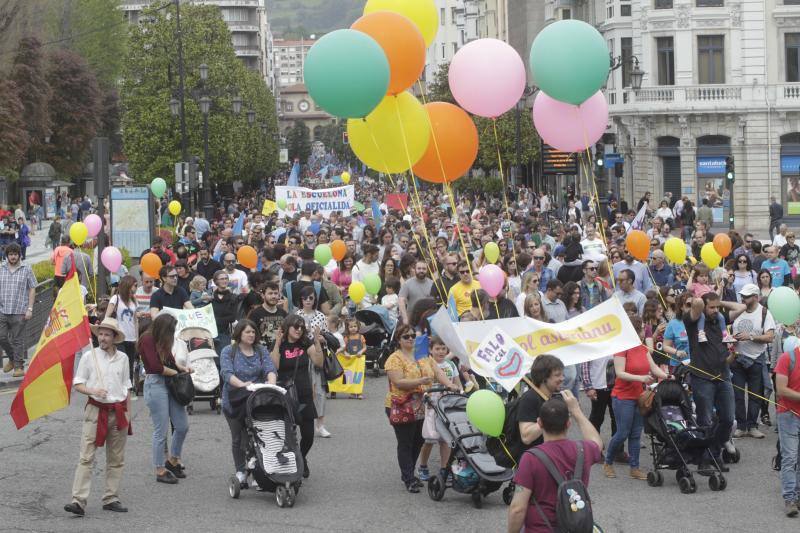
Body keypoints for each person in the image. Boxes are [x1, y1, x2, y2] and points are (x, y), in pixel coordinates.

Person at [507, 392, 603, 533]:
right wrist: (576, 411)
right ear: (568, 424)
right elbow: (597, 442)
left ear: (539, 423)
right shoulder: (583, 449)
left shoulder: (530, 458)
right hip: (576, 527)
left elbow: (518, 509)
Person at [63, 318, 132, 516]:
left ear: (114, 338)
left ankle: (111, 497)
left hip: (118, 410)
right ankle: (78, 501)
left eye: (107, 334)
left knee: (116, 458)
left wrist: (127, 415)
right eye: (100, 334)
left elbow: (126, 387)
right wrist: (93, 390)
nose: (102, 338)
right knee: (86, 456)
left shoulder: (123, 359)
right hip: (95, 410)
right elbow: (78, 384)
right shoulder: (88, 356)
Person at [384, 323, 456, 492]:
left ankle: (409, 472)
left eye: (412, 336)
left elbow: (438, 372)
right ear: (398, 340)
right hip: (401, 404)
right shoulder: (394, 358)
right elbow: (398, 382)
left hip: (421, 404)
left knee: (419, 440)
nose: (410, 339)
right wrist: (419, 382)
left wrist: (450, 385)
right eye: (406, 336)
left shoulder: (423, 354)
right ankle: (409, 478)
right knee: (406, 442)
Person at [603, 316, 669, 480]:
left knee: (635, 434)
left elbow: (653, 368)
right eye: (641, 329)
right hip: (622, 396)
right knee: (622, 432)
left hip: (639, 396)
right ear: (633, 330)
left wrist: (668, 377)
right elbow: (620, 373)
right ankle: (608, 462)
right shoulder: (622, 348)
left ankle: (635, 468)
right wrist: (641, 379)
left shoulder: (643, 348)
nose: (644, 332)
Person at [685, 292, 743, 470]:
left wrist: (718, 301)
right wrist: (702, 301)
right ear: (704, 306)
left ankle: (714, 451)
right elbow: (695, 304)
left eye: (717, 307)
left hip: (723, 376)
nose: (715, 310)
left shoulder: (720, 319)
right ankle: (705, 459)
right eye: (712, 307)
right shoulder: (693, 321)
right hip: (702, 379)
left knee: (728, 419)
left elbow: (741, 307)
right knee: (705, 421)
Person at [220, 319, 277, 489]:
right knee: (239, 438)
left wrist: (272, 385)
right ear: (239, 333)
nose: (251, 335)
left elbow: (270, 369)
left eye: (253, 332)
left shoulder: (260, 350)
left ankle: (259, 471)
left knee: (259, 436)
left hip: (257, 400)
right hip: (235, 399)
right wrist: (242, 384)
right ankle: (240, 470)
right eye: (247, 332)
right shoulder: (229, 351)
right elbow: (226, 373)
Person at [138, 314, 191, 484]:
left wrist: (182, 369)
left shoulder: (164, 339)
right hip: (155, 383)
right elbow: (155, 366)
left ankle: (173, 460)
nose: (172, 333)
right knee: (160, 431)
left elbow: (170, 360)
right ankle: (160, 469)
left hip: (169, 382)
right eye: (171, 329)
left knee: (182, 425)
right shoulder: (147, 339)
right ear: (162, 328)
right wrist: (177, 373)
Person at [270, 314, 324, 478]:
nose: (299, 330)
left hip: (304, 393)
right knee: (287, 433)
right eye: (296, 327)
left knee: (308, 435)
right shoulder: (281, 344)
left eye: (302, 327)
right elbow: (275, 366)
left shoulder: (305, 344)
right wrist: (277, 343)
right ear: (287, 328)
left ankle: (301, 457)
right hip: (285, 395)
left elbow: (319, 362)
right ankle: (293, 462)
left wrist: (316, 341)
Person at [730, 283, 775, 439]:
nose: (743, 298)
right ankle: (741, 426)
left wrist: (750, 337)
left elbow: (770, 337)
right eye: (742, 295)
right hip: (737, 357)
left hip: (756, 358)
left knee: (755, 394)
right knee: (738, 394)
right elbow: (725, 326)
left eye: (747, 296)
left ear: (756, 297)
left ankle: (752, 425)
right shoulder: (738, 311)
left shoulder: (764, 312)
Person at [509, 354, 565, 464]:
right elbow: (526, 437)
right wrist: (550, 416)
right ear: (544, 378)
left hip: (549, 459)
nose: (562, 378)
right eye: (558, 375)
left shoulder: (553, 397)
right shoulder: (529, 398)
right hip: (533, 462)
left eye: (563, 374)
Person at [0, 243, 36, 377]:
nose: (13, 257)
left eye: (15, 254)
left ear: (19, 255)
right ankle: (12, 358)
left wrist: (30, 308)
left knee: (17, 340)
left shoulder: (27, 269)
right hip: (2, 309)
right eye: (10, 254)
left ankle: (18, 366)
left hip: (19, 310)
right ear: (7, 256)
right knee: (1, 337)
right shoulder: (1, 268)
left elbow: (32, 288)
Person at [775, 342, 800, 516]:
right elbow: (781, 390)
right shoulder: (787, 358)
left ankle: (797, 497)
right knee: (790, 458)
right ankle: (790, 498)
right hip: (789, 414)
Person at [106, 275, 140, 394]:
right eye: (135, 285)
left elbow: (135, 321)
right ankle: (116, 388)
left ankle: (127, 390)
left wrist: (137, 337)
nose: (136, 288)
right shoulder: (116, 299)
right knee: (121, 362)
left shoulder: (134, 301)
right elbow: (107, 316)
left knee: (130, 364)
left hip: (131, 336)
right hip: (119, 336)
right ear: (128, 285)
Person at [248, 281, 287, 349]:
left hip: (280, 352)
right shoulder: (255, 314)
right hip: (261, 354)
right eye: (270, 293)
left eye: (276, 293)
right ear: (263, 295)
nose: (273, 296)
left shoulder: (283, 313)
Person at [211, 269, 238, 354]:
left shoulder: (233, 297)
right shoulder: (211, 298)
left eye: (226, 278)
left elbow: (232, 317)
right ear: (216, 281)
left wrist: (216, 320)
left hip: (226, 333)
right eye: (221, 279)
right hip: (212, 333)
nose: (224, 280)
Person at [399, 260, 433, 325]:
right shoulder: (407, 284)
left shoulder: (432, 284)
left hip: (428, 321)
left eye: (424, 269)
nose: (421, 271)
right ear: (415, 269)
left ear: (427, 270)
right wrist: (405, 318)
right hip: (412, 321)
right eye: (419, 268)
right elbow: (401, 300)